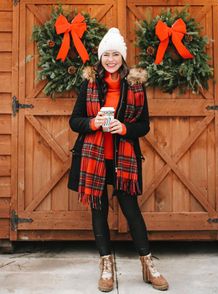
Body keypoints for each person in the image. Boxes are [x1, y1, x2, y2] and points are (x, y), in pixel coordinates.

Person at [68, 28, 169, 292]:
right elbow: (74, 121)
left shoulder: (135, 85)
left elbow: (144, 125)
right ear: (100, 57)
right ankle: (106, 265)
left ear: (122, 58)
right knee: (98, 209)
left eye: (115, 54)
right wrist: (93, 122)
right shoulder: (88, 84)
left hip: (123, 160)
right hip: (94, 159)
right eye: (106, 55)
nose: (110, 59)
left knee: (131, 210)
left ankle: (148, 265)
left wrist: (124, 129)